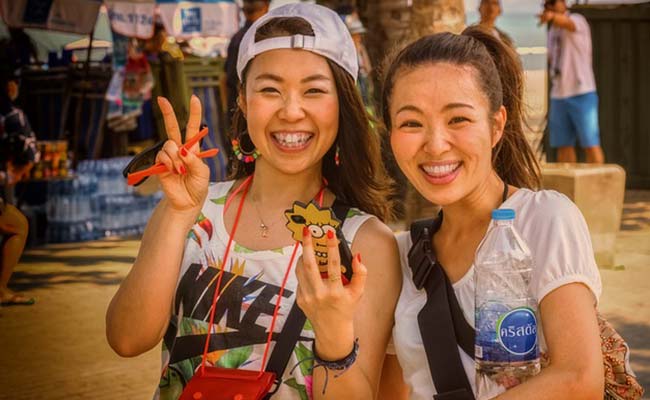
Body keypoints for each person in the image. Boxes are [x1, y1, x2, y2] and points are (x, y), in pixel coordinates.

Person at [106, 3, 401, 399]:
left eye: (314, 90)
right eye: (269, 89)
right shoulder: (194, 209)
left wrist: (334, 333)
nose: (291, 111)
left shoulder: (366, 243)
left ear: (342, 107)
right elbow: (127, 339)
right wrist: (177, 214)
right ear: (243, 101)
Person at [379, 27, 604, 399]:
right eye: (411, 123)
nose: (435, 144)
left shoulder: (543, 219)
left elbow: (579, 379)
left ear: (496, 125)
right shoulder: (399, 255)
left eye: (458, 120)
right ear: (391, 135)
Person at [539, 0, 604, 164]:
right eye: (547, 4)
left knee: (591, 144)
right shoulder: (552, 30)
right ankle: (567, 189)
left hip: (581, 92)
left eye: (553, 2)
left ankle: (600, 188)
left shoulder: (577, 20)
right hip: (558, 94)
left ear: (563, 3)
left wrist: (552, 16)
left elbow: (566, 23)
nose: (550, 6)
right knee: (563, 146)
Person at [0, 71, 39, 306]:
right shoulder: (12, 115)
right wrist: (15, 172)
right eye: (13, 81)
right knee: (19, 225)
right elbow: (30, 151)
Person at [223, 0, 270, 129]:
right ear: (265, 7)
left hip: (239, 108)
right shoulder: (266, 38)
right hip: (248, 111)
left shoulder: (238, 37)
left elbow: (226, 78)